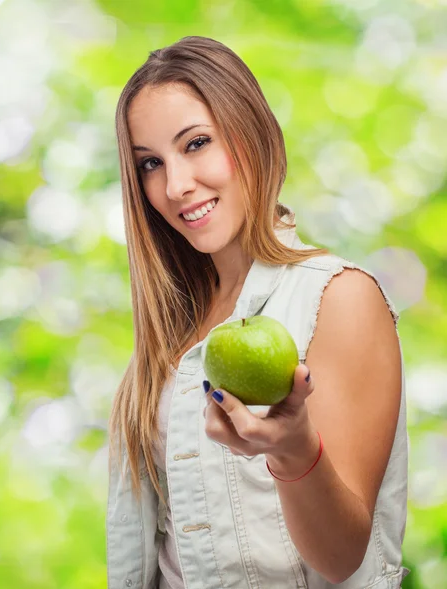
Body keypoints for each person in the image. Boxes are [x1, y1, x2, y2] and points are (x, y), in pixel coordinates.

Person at [106, 36, 409, 588]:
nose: (175, 185)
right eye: (150, 163)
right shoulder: (169, 336)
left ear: (253, 133)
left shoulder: (338, 296)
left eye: (196, 143)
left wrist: (293, 450)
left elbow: (341, 557)